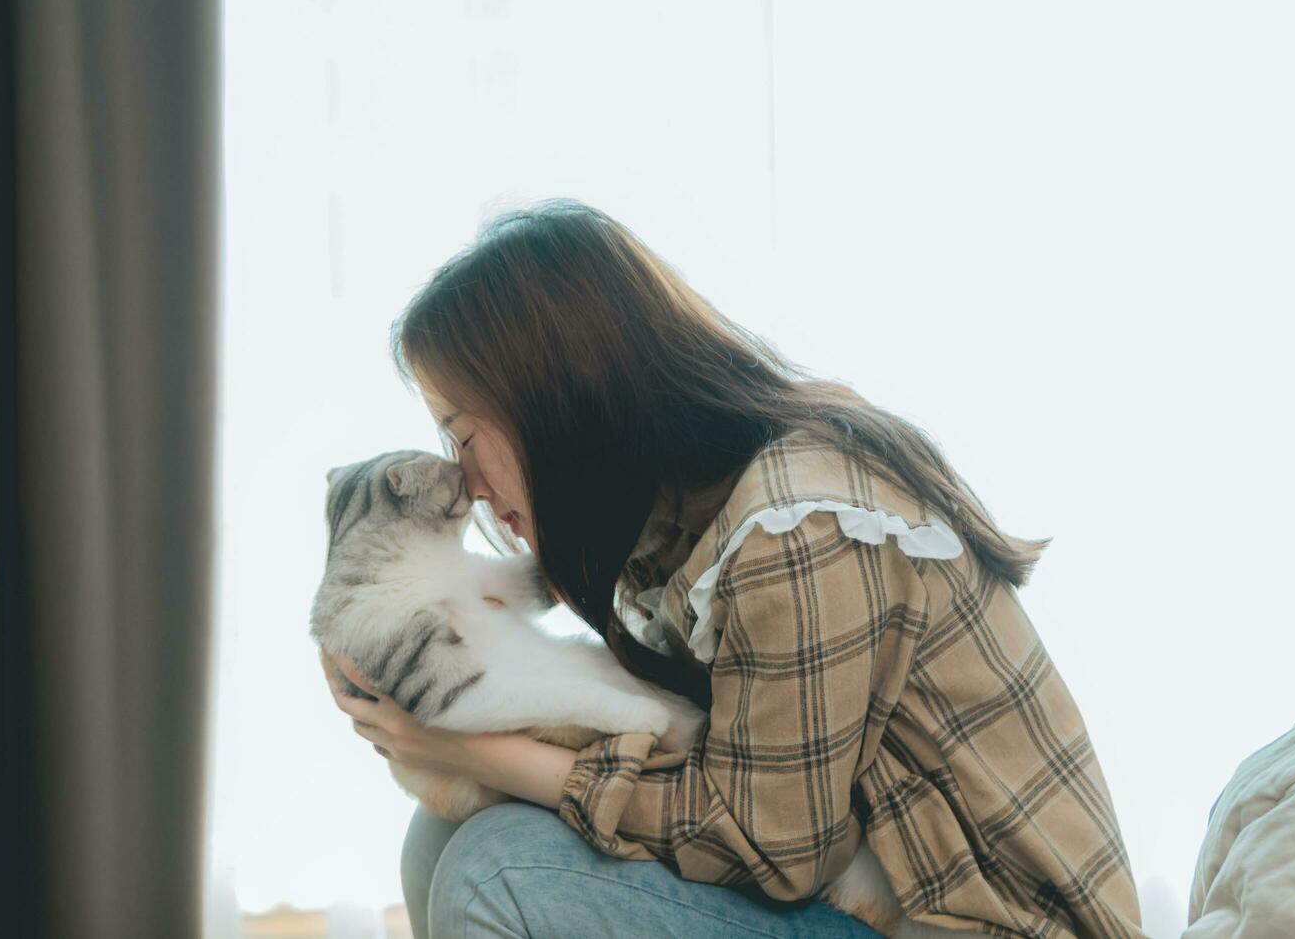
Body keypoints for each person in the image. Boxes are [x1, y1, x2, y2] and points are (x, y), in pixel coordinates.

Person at [320, 199, 1145, 938]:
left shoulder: (797, 530)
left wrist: (482, 756)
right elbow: (701, 755)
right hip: (862, 889)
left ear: (558, 401)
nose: (461, 479)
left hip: (978, 926)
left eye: (462, 435)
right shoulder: (676, 527)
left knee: (496, 868)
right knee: (442, 840)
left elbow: (774, 848)